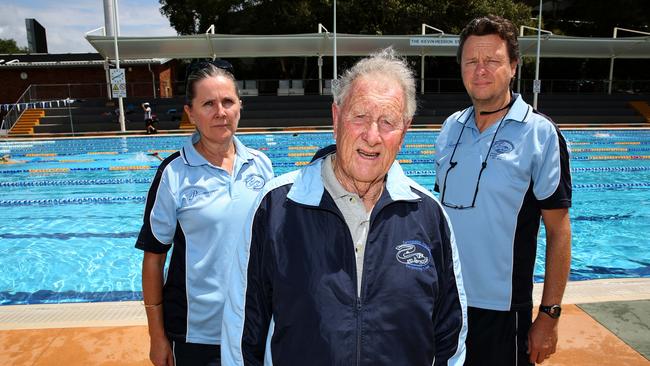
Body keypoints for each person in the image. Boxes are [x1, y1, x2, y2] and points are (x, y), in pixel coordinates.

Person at [221, 48, 467, 366]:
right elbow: (242, 331)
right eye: (360, 116)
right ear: (337, 117)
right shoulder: (278, 207)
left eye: (388, 122)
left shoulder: (429, 216)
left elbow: (451, 337)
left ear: (405, 130)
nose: (372, 136)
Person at [434, 15, 572, 366]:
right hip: (444, 303)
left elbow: (559, 230)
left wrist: (549, 314)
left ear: (513, 66)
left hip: (501, 312)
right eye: (471, 61)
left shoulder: (540, 134)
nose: (481, 70)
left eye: (492, 60)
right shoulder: (450, 128)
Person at [135, 61, 274, 366]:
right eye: (208, 103)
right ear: (191, 113)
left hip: (253, 325)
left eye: (227, 102)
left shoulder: (261, 165)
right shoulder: (174, 174)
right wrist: (156, 336)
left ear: (240, 106)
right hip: (198, 335)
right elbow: (154, 258)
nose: (220, 112)